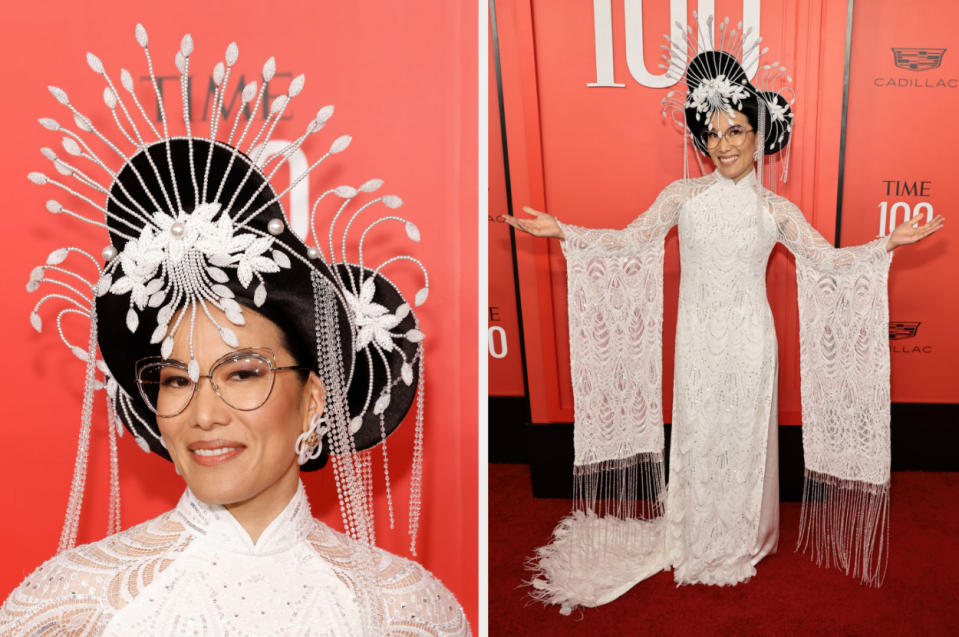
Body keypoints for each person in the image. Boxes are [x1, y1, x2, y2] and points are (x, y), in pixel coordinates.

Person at [0, 26, 469, 636]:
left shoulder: (406, 607)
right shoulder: (74, 603)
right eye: (175, 379)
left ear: (313, 404)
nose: (203, 415)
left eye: (243, 372)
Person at [504, 25, 944, 615]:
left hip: (750, 342)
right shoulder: (681, 197)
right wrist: (565, 232)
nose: (723, 143)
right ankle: (693, 533)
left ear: (759, 137)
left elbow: (827, 262)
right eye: (713, 133)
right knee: (697, 434)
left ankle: (742, 539)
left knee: (742, 439)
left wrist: (889, 242)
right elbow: (631, 241)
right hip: (697, 342)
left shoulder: (775, 208)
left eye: (735, 130)